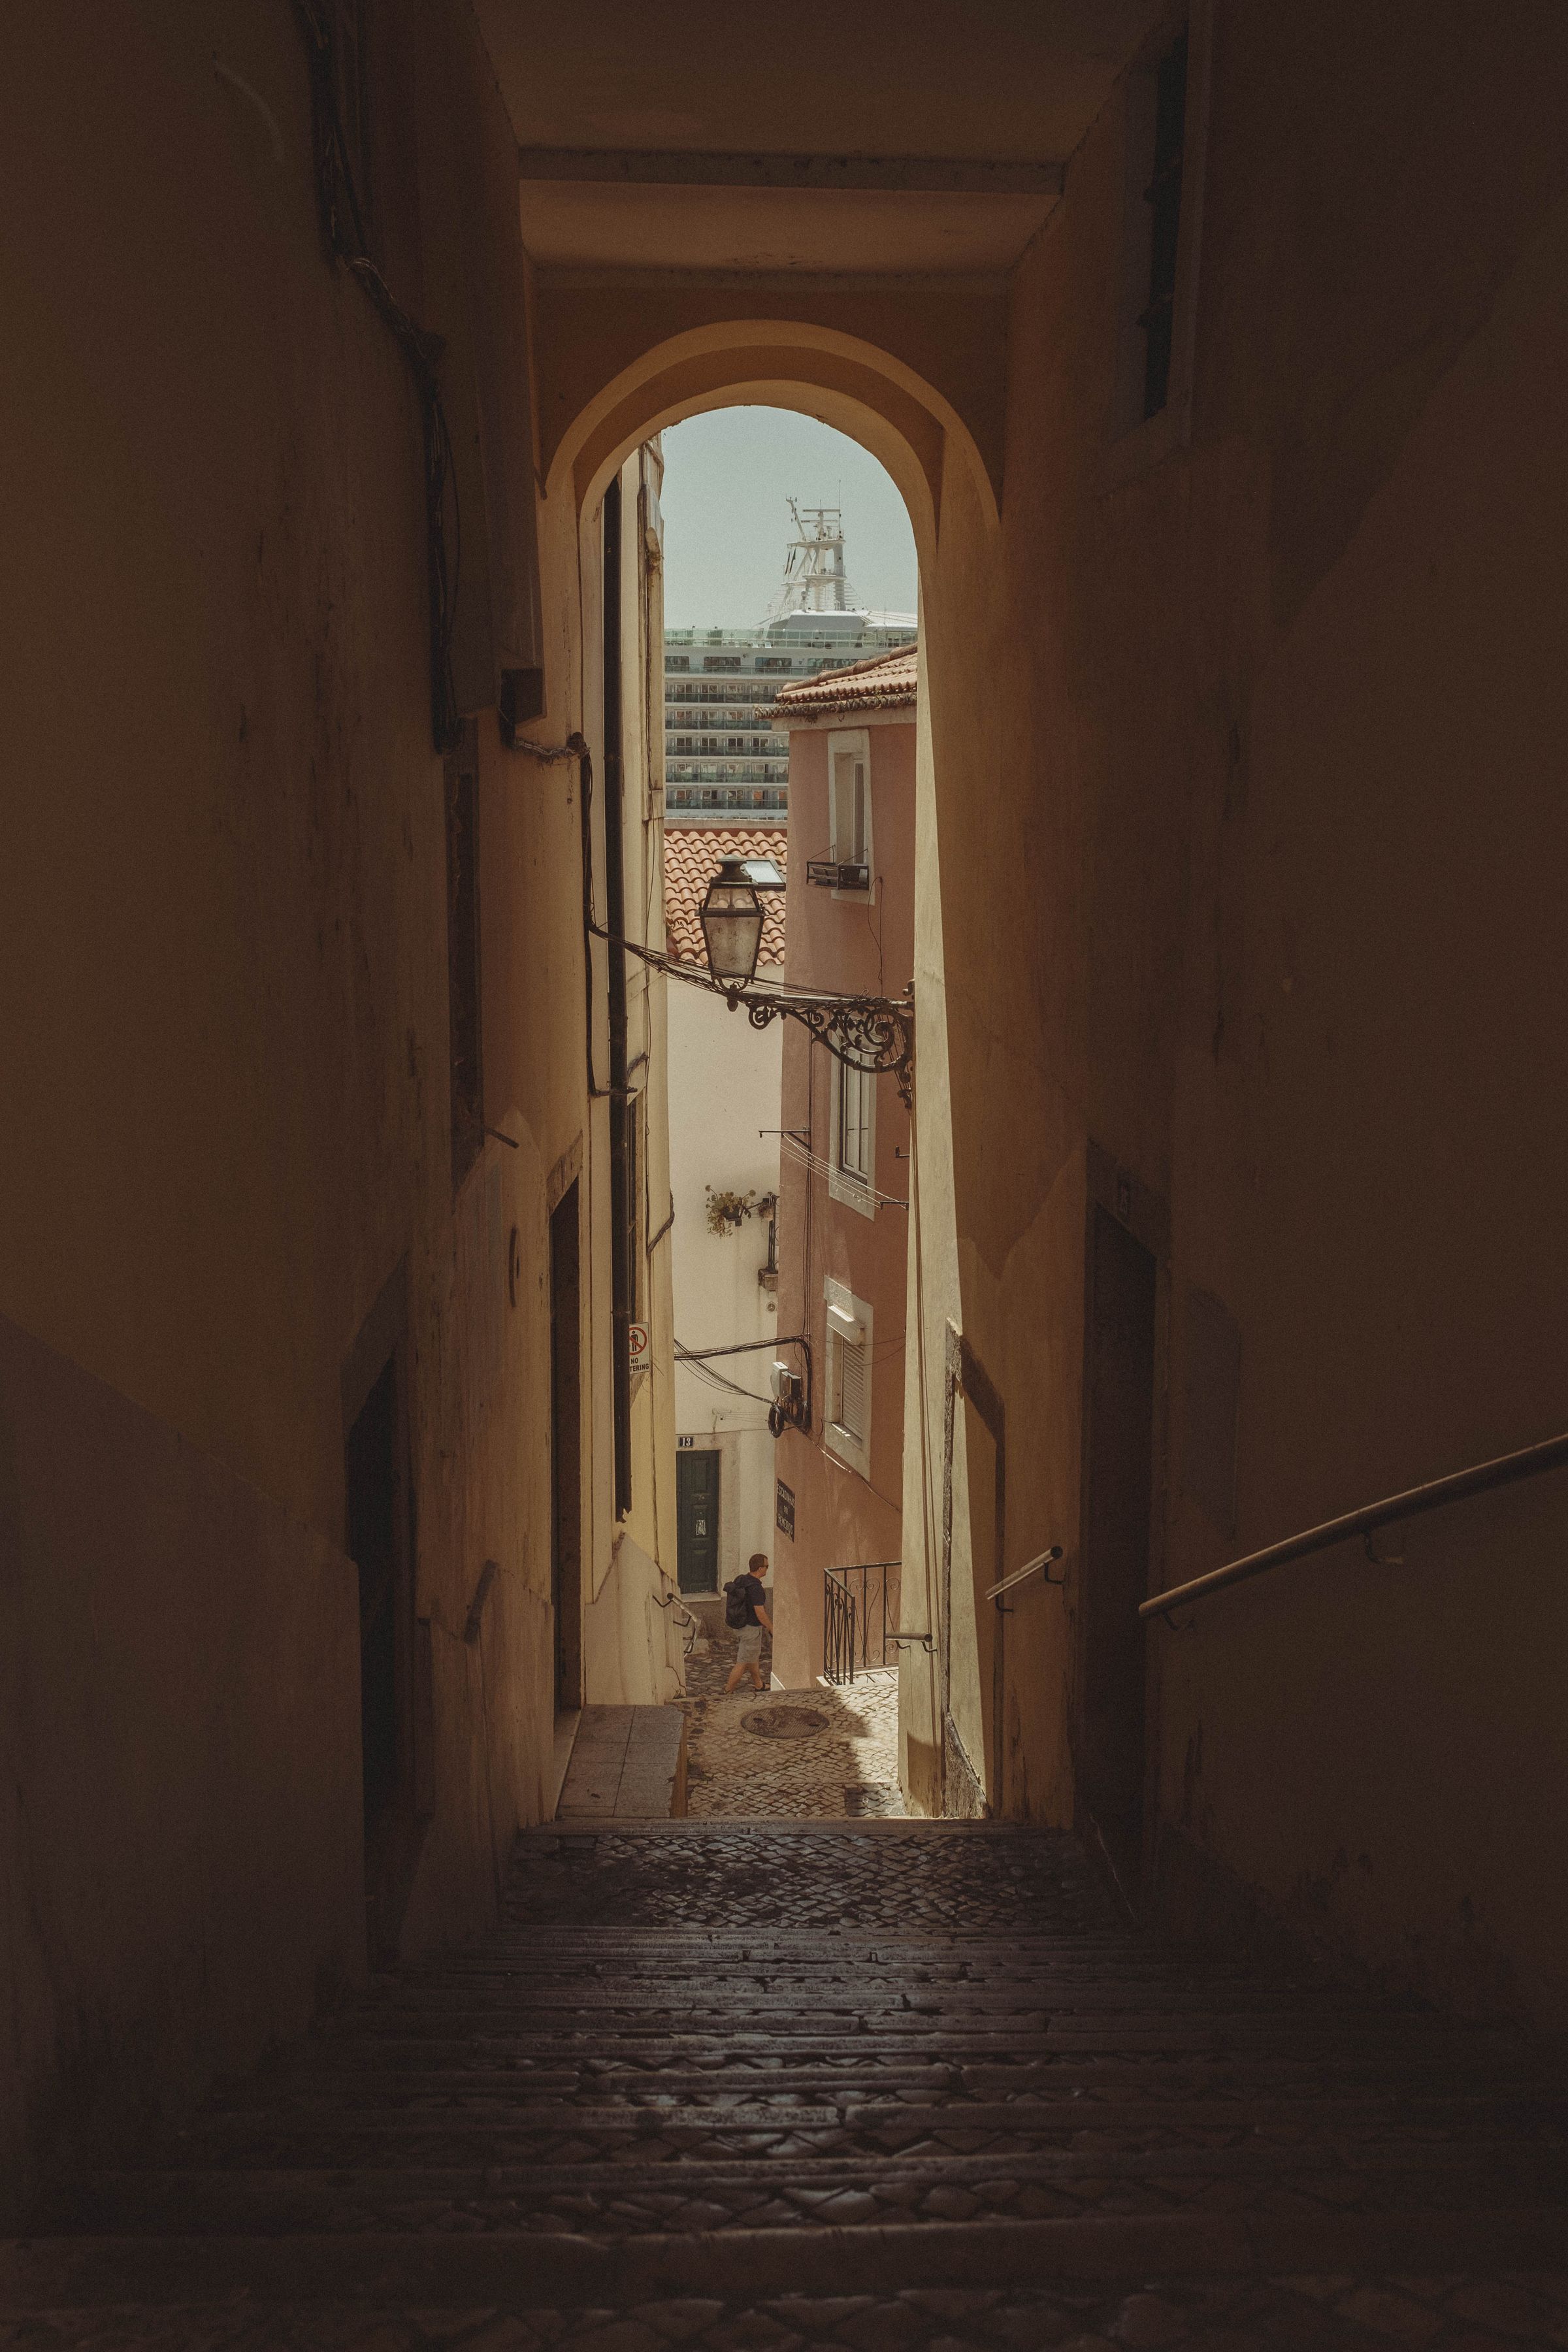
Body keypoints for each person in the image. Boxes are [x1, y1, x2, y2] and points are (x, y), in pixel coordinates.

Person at [723, 1553, 773, 1694]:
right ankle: (728, 1691)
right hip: (750, 1630)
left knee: (752, 1657)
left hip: (740, 1626)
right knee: (743, 1662)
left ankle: (759, 1684)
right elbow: (760, 1613)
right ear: (759, 1568)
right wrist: (771, 1628)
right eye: (766, 1567)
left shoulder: (742, 1580)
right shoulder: (756, 1588)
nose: (767, 1569)